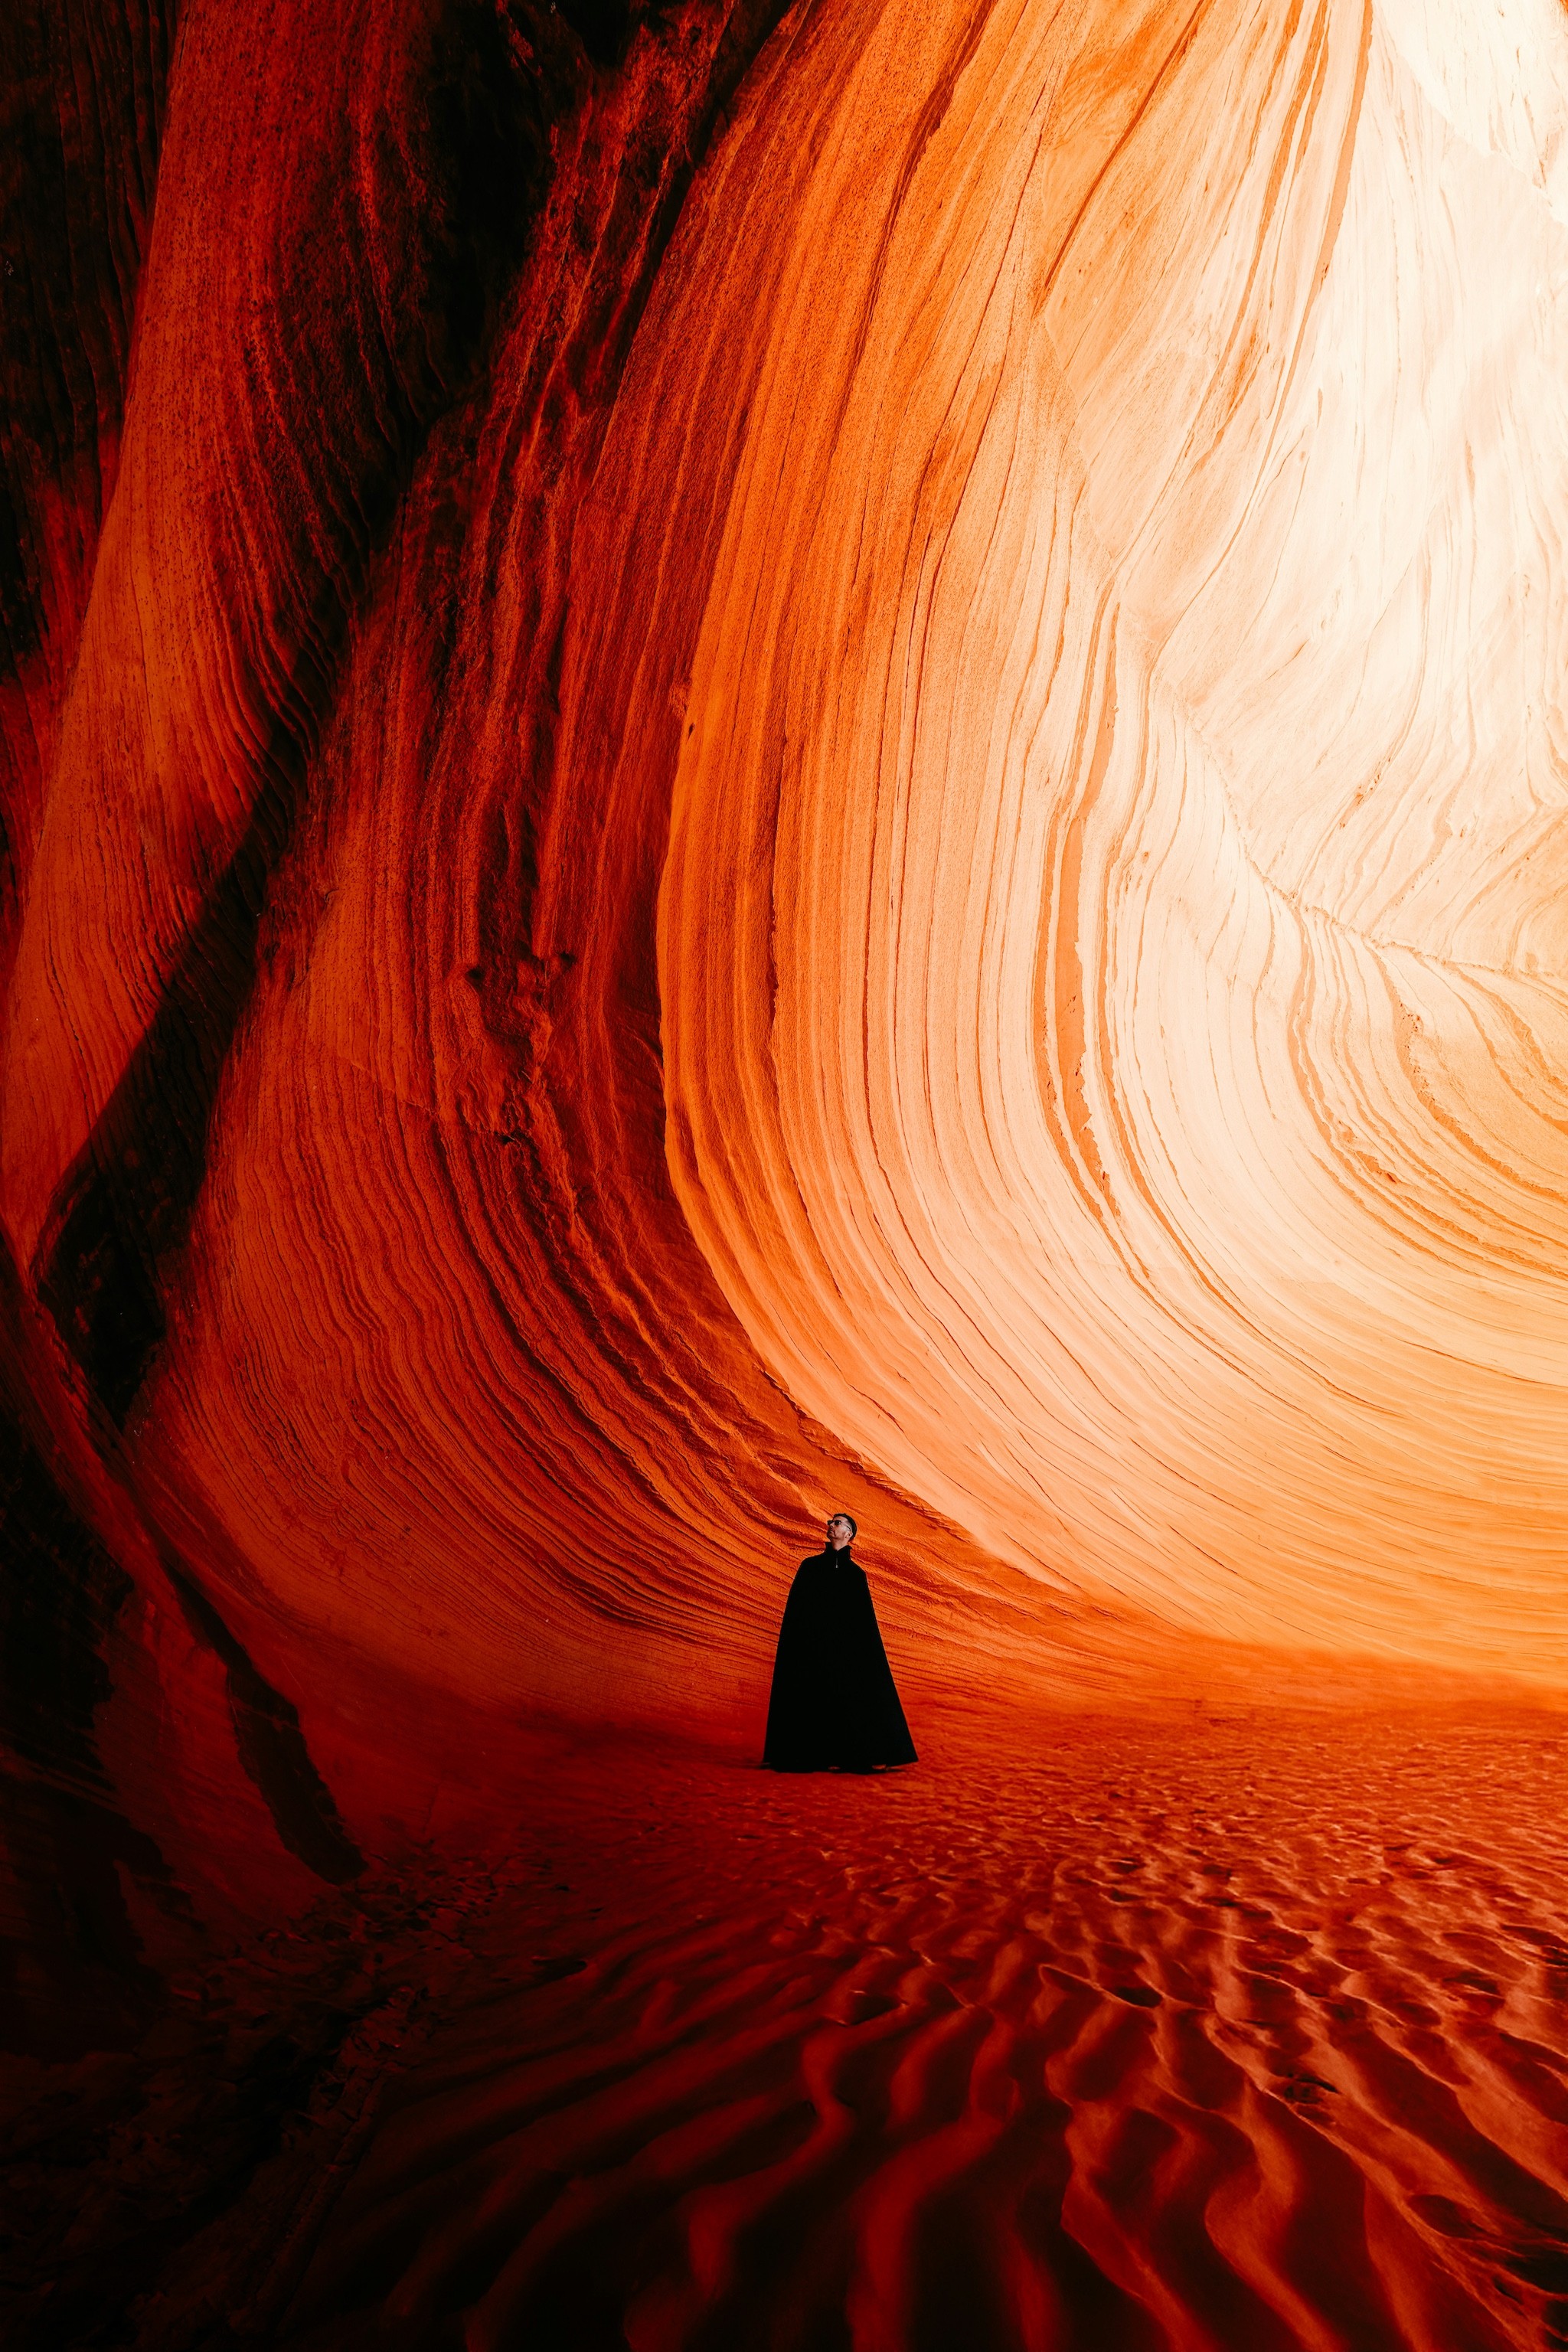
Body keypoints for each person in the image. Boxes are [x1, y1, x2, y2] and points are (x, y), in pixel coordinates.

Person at [762, 1513, 917, 1772]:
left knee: (850, 1699)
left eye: (837, 1523)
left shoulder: (856, 1575)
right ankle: (808, 1755)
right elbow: (797, 1612)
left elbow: (864, 1623)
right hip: (813, 1649)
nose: (830, 1526)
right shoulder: (810, 1567)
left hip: (846, 1653)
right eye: (830, 1523)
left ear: (849, 1534)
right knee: (811, 1700)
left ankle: (855, 1755)